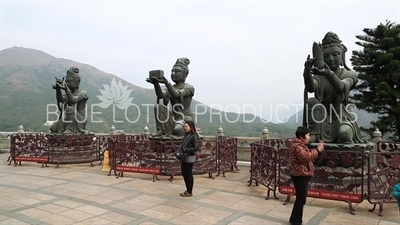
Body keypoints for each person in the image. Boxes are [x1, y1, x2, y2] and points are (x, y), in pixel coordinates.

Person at [303, 31, 365, 144]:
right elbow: (311, 88)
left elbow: (341, 87)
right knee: (312, 100)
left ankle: (348, 157)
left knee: (344, 134)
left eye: (335, 54)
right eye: (326, 56)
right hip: (321, 119)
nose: (331, 59)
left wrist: (329, 74)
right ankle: (314, 134)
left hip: (342, 117)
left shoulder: (349, 74)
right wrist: (307, 74)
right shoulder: (319, 76)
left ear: (342, 55)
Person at [146, 58, 194, 137]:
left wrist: (167, 83)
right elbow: (160, 95)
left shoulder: (189, 87)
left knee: (178, 130)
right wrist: (156, 84)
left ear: (184, 74)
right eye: (172, 71)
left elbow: (177, 95)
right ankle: (161, 129)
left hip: (185, 118)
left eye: (176, 71)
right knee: (158, 107)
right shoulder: (170, 88)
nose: (173, 73)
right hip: (173, 117)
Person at [289, 126, 324, 225]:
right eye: (308, 135)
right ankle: (296, 221)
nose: (309, 137)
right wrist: (318, 150)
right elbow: (305, 157)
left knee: (300, 199)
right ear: (301, 136)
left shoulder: (300, 145)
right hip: (300, 175)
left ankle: (294, 219)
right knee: (301, 200)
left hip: (301, 175)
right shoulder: (297, 146)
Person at [50, 66, 89, 134]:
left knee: (70, 108)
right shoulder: (68, 94)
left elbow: (73, 101)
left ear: (77, 82)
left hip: (79, 119)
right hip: (68, 118)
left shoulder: (83, 93)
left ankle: (70, 129)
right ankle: (67, 127)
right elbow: (60, 99)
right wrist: (58, 90)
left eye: (69, 82)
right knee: (53, 128)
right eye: (66, 82)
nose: (67, 84)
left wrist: (67, 90)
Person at [179, 120, 199, 197]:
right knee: (184, 173)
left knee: (188, 174)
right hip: (184, 157)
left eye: (186, 126)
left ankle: (189, 191)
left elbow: (196, 147)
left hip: (189, 157)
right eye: (185, 126)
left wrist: (186, 150)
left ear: (191, 127)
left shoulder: (194, 136)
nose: (185, 128)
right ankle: (187, 190)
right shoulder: (187, 135)